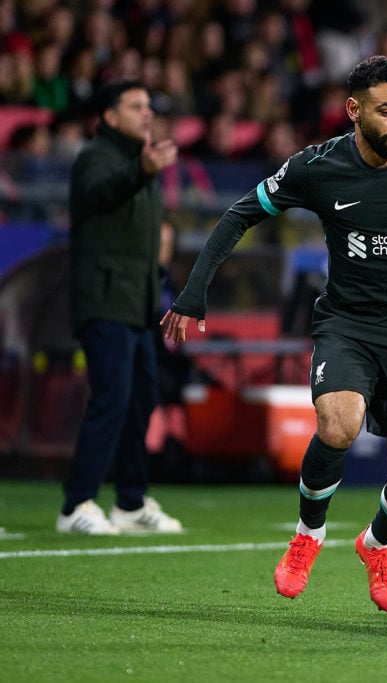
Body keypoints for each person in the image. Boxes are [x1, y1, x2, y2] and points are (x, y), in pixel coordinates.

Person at [161, 56, 387, 612]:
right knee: (338, 425)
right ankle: (307, 535)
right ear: (354, 110)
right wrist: (194, 290)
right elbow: (239, 215)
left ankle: (375, 545)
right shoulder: (317, 168)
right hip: (349, 325)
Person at [58, 79, 182, 535]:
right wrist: (142, 171)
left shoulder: (138, 162)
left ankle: (129, 503)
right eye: (135, 106)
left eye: (148, 106)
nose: (146, 113)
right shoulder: (96, 158)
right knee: (110, 400)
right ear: (109, 116)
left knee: (141, 399)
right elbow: (100, 193)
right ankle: (76, 503)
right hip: (105, 300)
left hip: (138, 304)